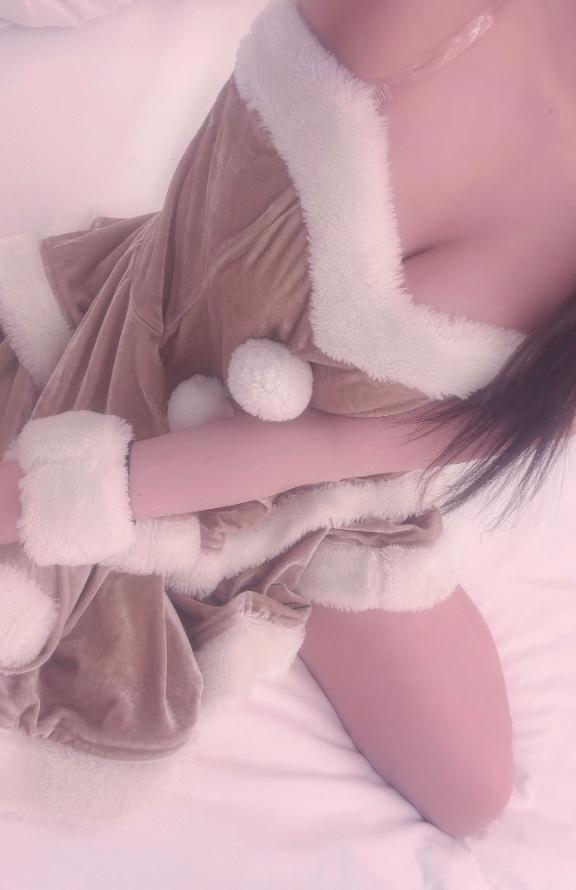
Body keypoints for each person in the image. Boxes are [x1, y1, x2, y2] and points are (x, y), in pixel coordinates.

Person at [1, 0, 576, 835]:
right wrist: (46, 497)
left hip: (322, 482)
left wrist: (79, 498)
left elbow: (351, 443)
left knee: (474, 795)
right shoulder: (429, 24)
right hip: (138, 350)